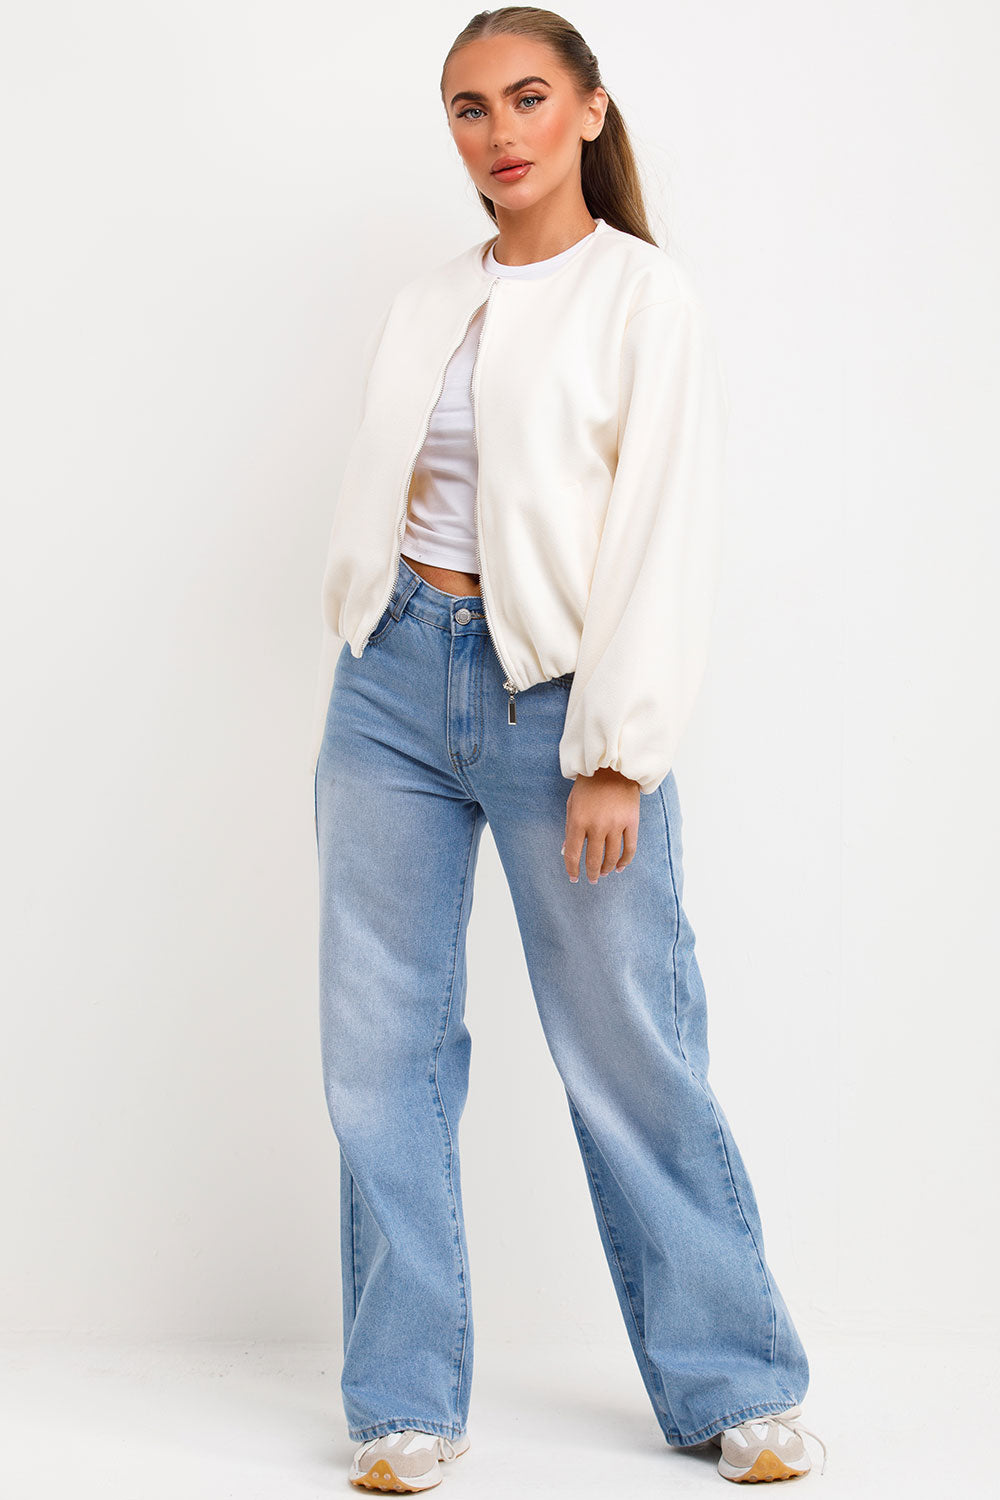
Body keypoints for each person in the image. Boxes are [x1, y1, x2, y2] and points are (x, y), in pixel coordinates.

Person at [310, 7, 827, 1492]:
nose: (499, 133)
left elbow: (664, 529)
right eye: (469, 108)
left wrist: (619, 750)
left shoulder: (643, 297)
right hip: (389, 686)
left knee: (629, 1043)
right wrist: (365, 620)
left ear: (592, 109)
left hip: (559, 703)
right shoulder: (428, 299)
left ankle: (737, 1384)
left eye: (528, 97)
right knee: (380, 1054)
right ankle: (404, 1402)